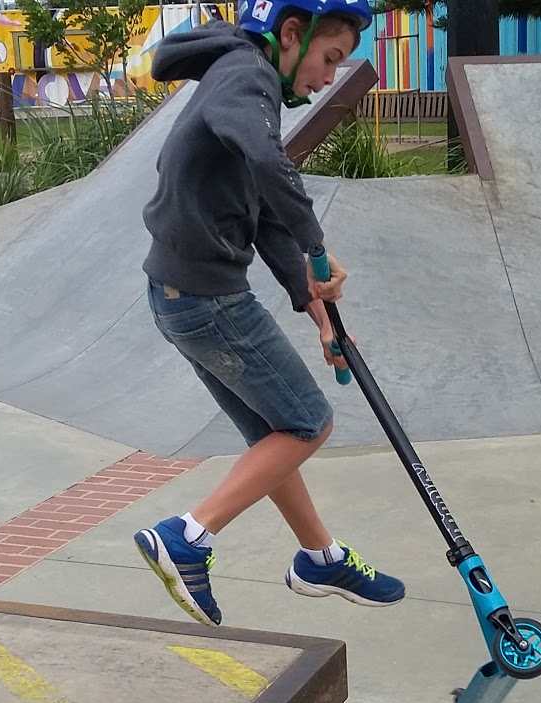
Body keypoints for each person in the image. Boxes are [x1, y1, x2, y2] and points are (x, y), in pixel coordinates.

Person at [132, 0, 406, 627]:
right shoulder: (245, 76)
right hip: (207, 301)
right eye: (330, 58)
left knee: (273, 436)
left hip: (181, 296)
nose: (331, 77)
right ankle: (187, 536)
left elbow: (263, 216)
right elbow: (269, 165)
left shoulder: (238, 85)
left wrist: (322, 316)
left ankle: (320, 555)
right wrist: (317, 244)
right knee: (308, 423)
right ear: (291, 34)